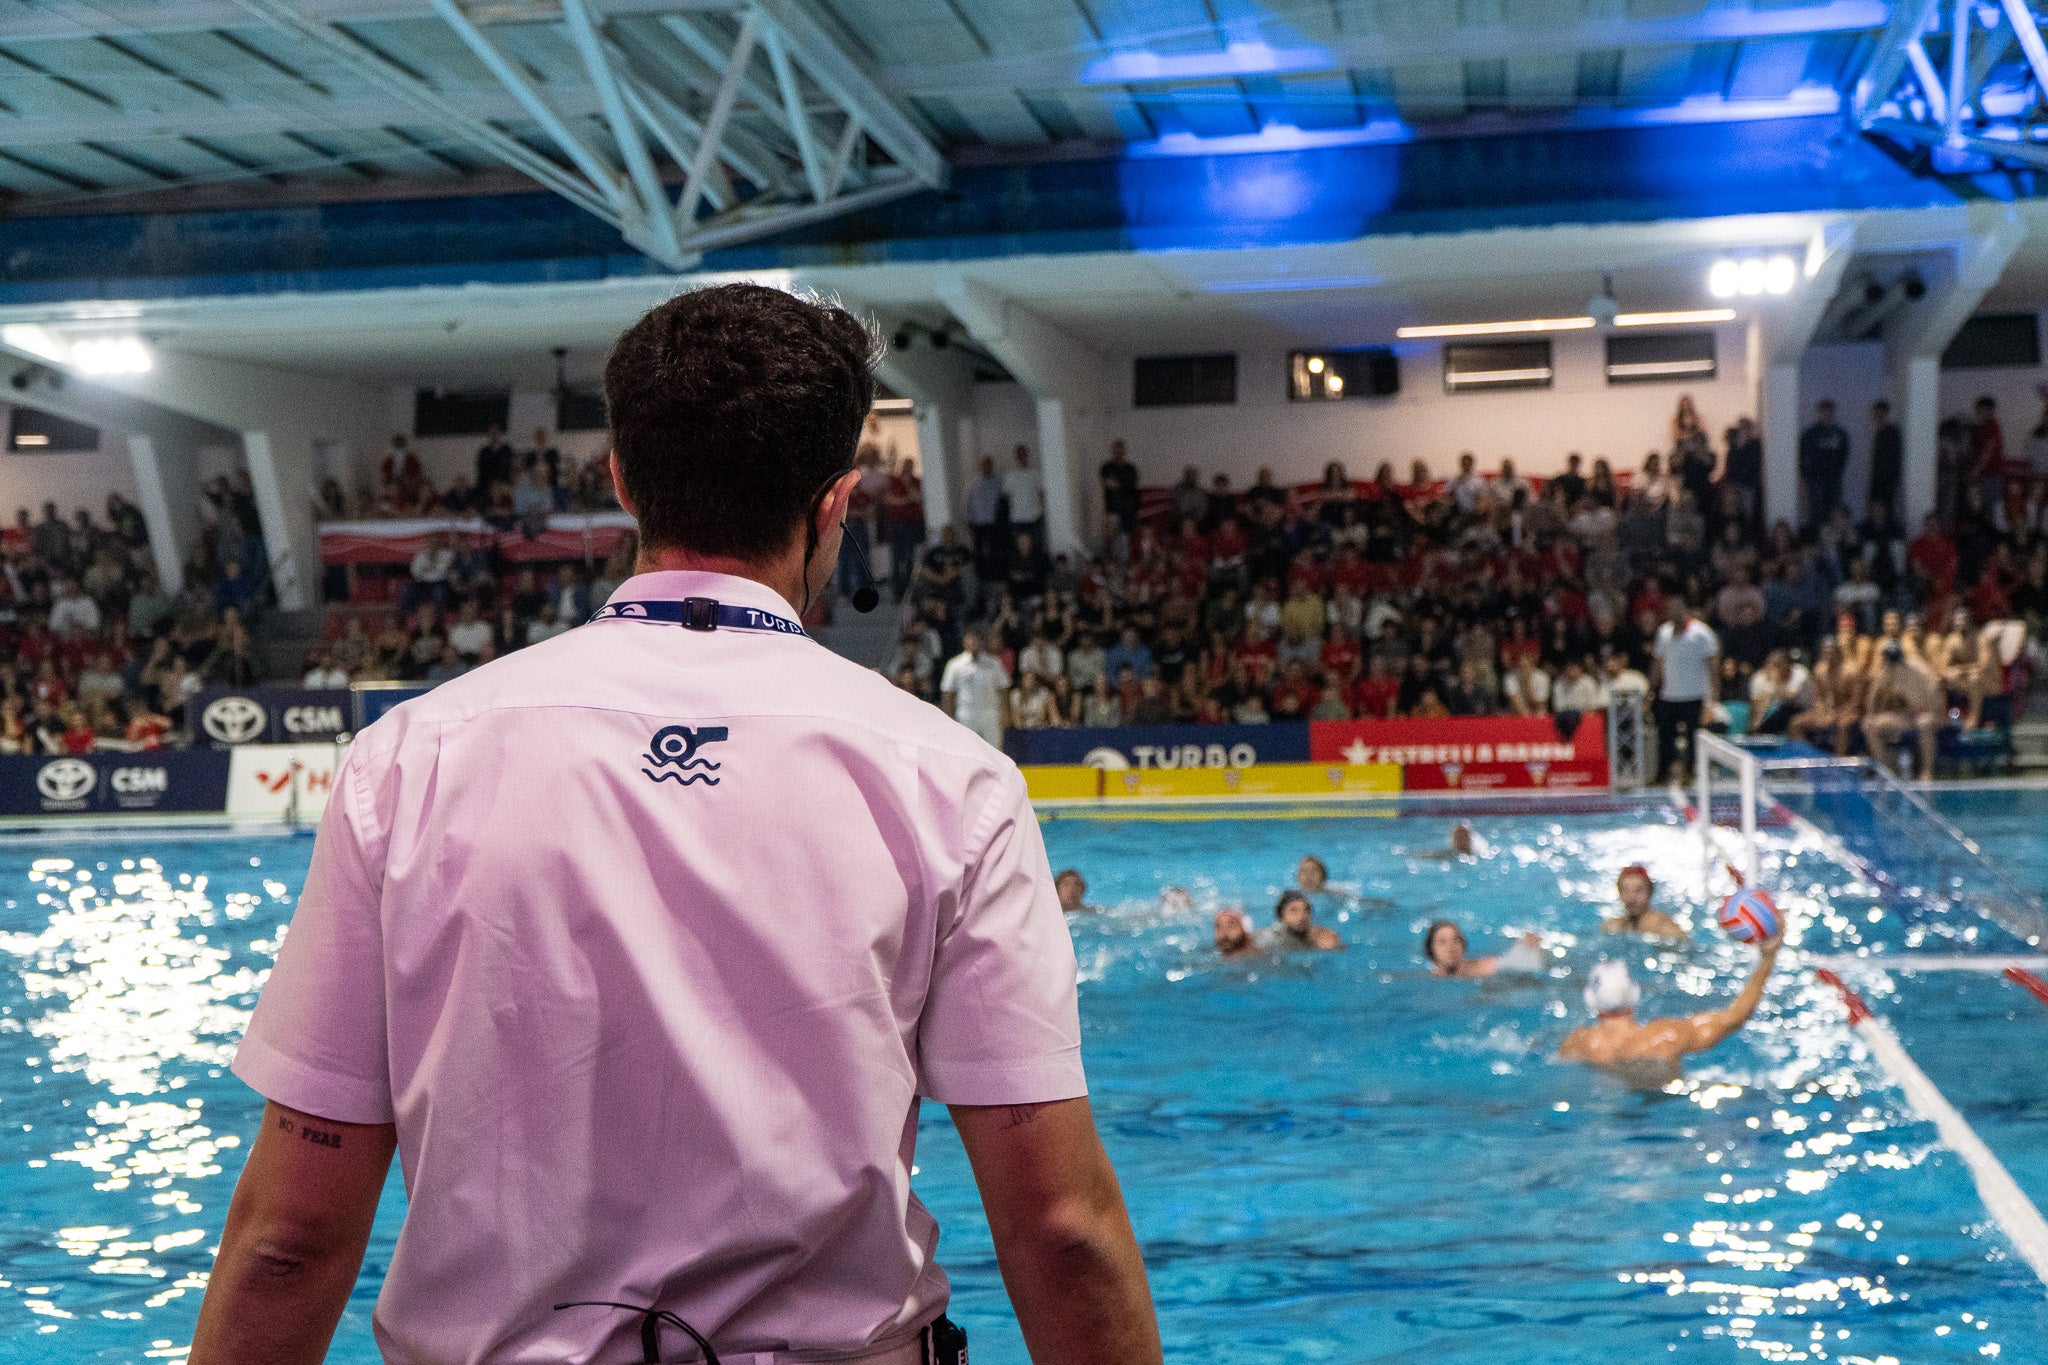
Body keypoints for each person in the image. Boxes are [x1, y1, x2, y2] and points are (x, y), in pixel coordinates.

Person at [192, 284, 1160, 1365]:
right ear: (837, 502)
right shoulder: (948, 779)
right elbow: (1060, 1230)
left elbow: (289, 1237)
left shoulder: (409, 763)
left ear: (619, 482)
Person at [1558, 929, 1783, 1086]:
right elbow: (1734, 1018)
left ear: (1591, 1001)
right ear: (1635, 994)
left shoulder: (1579, 1044)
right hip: (1668, 1105)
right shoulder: (1667, 1036)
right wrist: (1767, 959)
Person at [1651, 600, 1719, 783]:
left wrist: (1714, 695)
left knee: (1692, 736)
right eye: (1670, 612)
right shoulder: (1663, 632)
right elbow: (1658, 661)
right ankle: (1662, 773)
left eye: (1676, 612)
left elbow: (1713, 664)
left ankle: (1690, 772)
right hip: (1668, 695)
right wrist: (1652, 688)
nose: (1673, 616)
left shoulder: (1701, 633)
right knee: (1664, 736)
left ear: (1685, 611)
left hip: (1694, 694)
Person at [1861, 637, 1943, 777]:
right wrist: (1879, 682)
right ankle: (1886, 771)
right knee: (1869, 724)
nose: (1893, 665)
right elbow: (1871, 703)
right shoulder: (1887, 671)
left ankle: (1927, 772)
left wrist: (1916, 707)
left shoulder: (1919, 669)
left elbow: (1932, 702)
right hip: (1905, 717)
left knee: (1924, 722)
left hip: (1930, 714)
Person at [941, 628, 1011, 747]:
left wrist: (1005, 712)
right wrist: (948, 718)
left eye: (976, 639)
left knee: (994, 750)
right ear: (964, 641)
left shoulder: (993, 663)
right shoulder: (955, 664)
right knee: (966, 749)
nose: (973, 642)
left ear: (981, 641)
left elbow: (1004, 687)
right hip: (965, 713)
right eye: (970, 639)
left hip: (990, 712)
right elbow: (948, 693)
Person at [1422, 921, 1543, 977]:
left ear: (1463, 947)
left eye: (1456, 940)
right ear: (1431, 950)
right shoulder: (1426, 977)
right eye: (1442, 942)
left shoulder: (1484, 968)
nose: (1451, 948)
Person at [1798, 399, 1850, 529]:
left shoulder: (1840, 434)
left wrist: (1837, 472)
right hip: (1815, 480)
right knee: (1816, 513)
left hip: (1834, 479)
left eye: (1830, 412)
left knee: (1834, 512)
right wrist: (1805, 478)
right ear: (1819, 413)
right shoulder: (1810, 434)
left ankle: (1834, 543)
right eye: (1824, 412)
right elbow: (1802, 457)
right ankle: (1817, 542)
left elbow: (1844, 456)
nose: (1827, 414)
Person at [1602, 865, 1686, 941]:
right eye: (1626, 891)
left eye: (1638, 890)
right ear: (1619, 892)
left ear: (1650, 892)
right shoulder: (1612, 927)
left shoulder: (1666, 928)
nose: (1631, 898)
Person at [1005, 445, 1046, 567]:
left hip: (1034, 517)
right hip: (1017, 519)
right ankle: (1021, 572)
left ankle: (1037, 573)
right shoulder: (1010, 475)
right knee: (1018, 550)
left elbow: (1041, 493)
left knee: (1037, 547)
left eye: (1024, 455)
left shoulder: (1035, 474)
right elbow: (1007, 496)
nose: (1022, 458)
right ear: (1015, 458)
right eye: (1019, 456)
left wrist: (1040, 511)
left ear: (1027, 456)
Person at [1270, 890, 1342, 951]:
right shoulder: (1270, 938)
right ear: (1281, 915)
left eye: (1306, 910)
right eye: (1293, 910)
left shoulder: (1321, 935)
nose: (1301, 916)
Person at [1868, 400, 1902, 517]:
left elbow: (1892, 459)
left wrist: (1889, 479)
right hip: (1880, 479)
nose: (1878, 417)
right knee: (1878, 507)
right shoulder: (1880, 433)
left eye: (1880, 414)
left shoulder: (1891, 433)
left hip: (1887, 480)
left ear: (1886, 414)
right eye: (1876, 414)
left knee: (1885, 508)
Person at [1100, 439, 1140, 537]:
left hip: (1128, 509)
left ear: (1124, 451)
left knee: (1126, 538)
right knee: (1112, 538)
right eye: (1117, 450)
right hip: (1113, 508)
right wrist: (1123, 483)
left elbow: (1131, 486)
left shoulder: (1130, 468)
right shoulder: (1106, 467)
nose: (1119, 453)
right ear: (1113, 451)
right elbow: (1109, 483)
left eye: (1121, 450)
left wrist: (1119, 484)